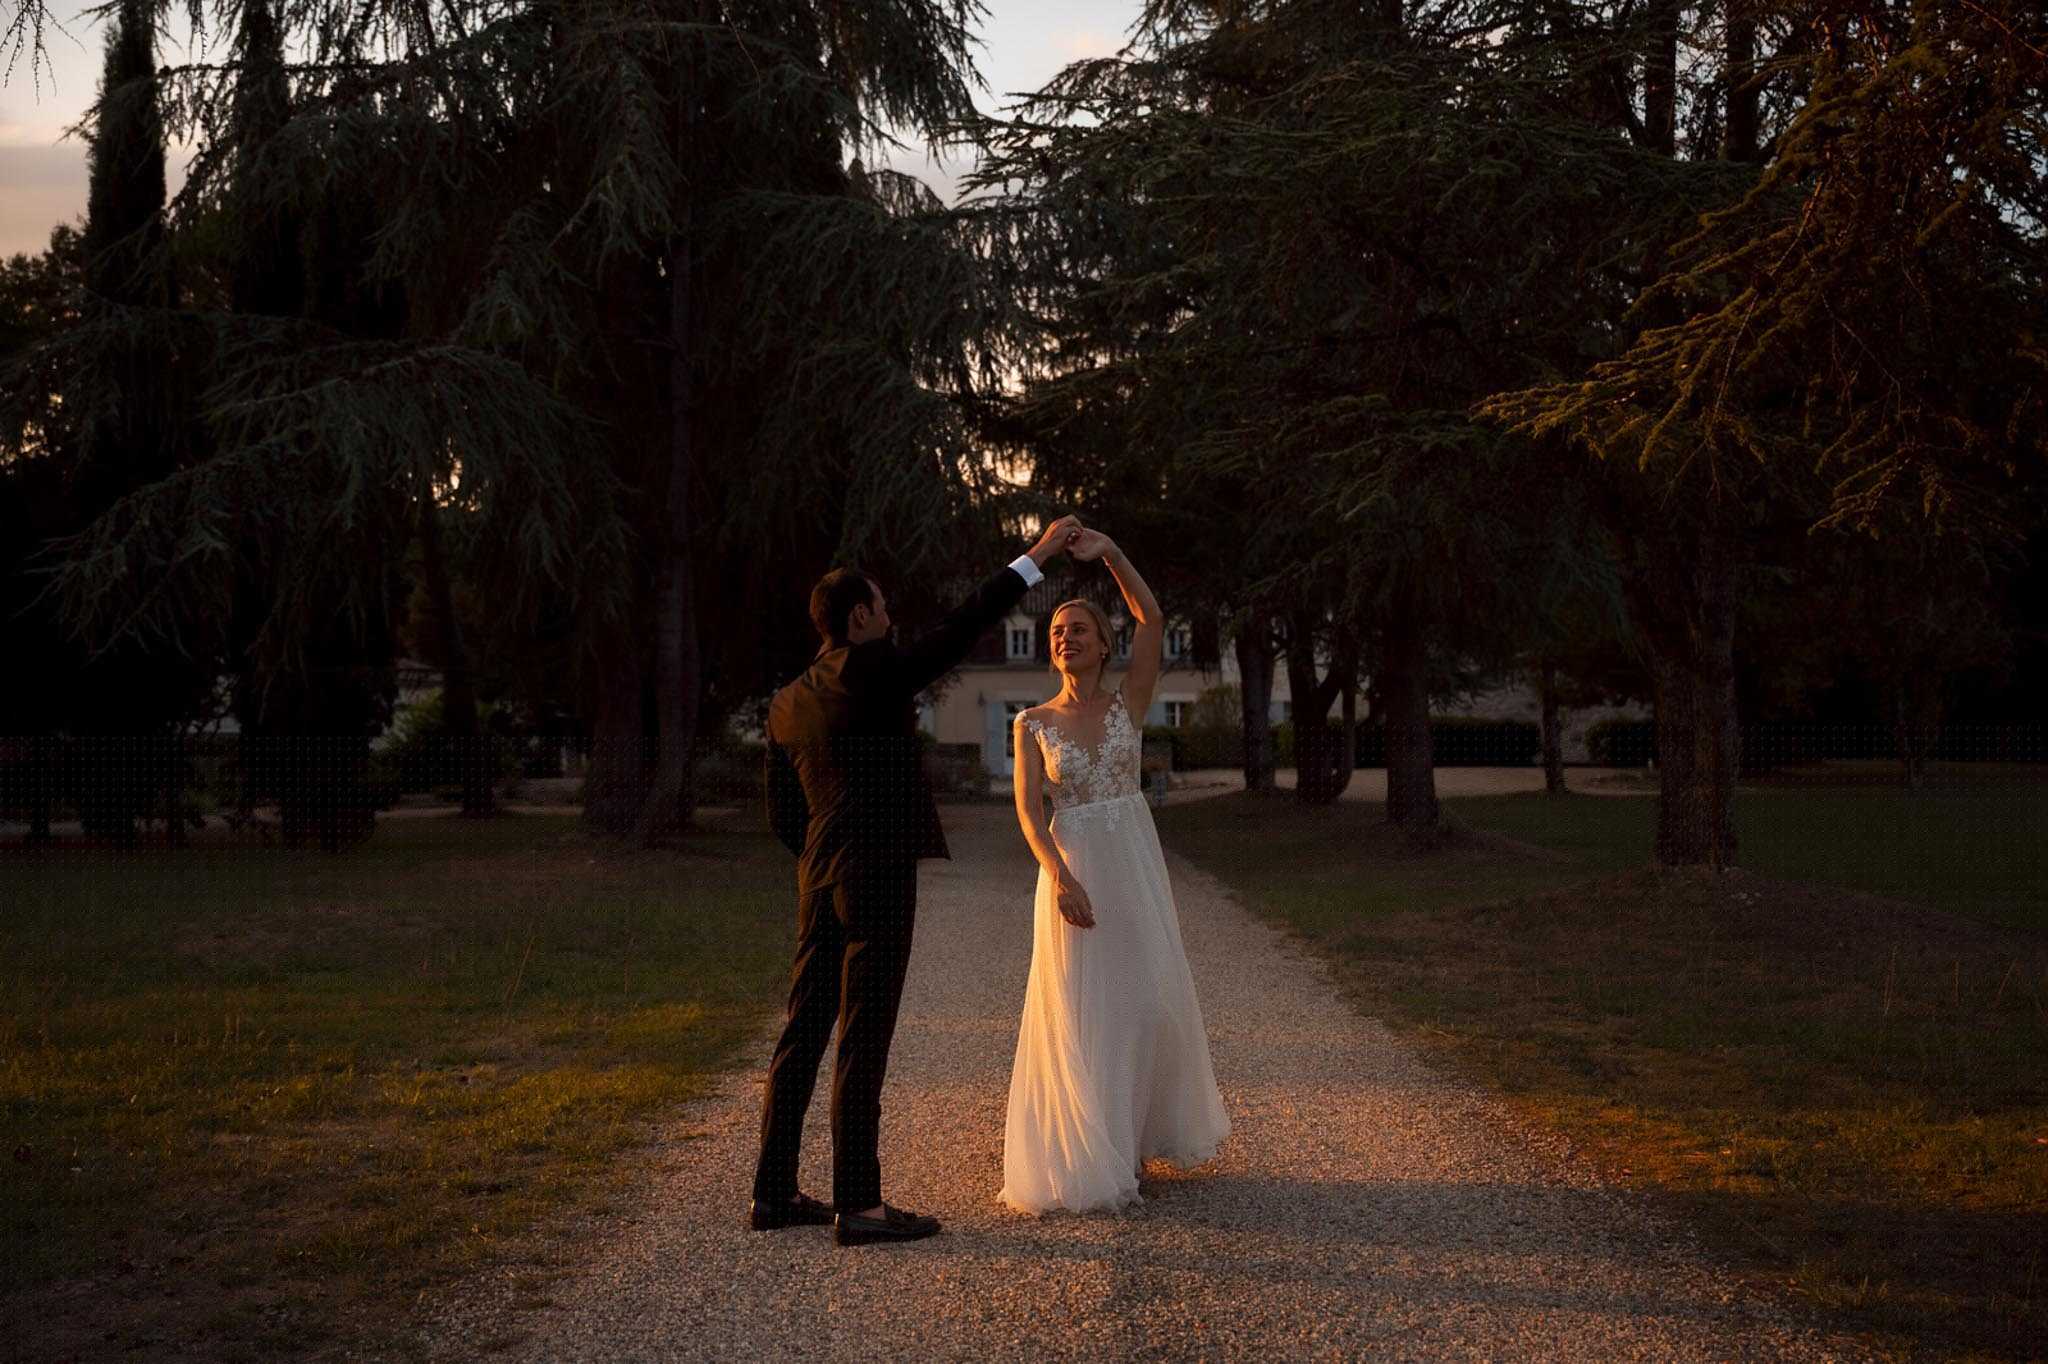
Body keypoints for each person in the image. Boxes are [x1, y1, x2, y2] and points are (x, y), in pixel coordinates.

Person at [751, 514, 1086, 1246]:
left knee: (802, 1030)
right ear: (862, 616)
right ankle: (860, 1206)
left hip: (817, 875)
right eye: (884, 604)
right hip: (876, 877)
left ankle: (773, 1194)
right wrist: (1035, 557)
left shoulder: (785, 702)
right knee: (863, 1037)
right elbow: (967, 621)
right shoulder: (877, 668)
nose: (893, 616)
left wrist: (817, 858)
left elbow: (780, 812)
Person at [1001, 529, 1231, 1214]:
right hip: (1074, 869)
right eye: (1056, 632)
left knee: (1144, 999)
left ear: (1103, 644)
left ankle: (1131, 1135)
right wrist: (1061, 878)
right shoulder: (1031, 723)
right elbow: (1028, 816)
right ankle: (1091, 1146)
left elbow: (1152, 617)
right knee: (1081, 1006)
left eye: (1078, 629)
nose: (1065, 638)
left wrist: (1109, 554)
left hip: (1134, 861)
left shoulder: (1130, 700)